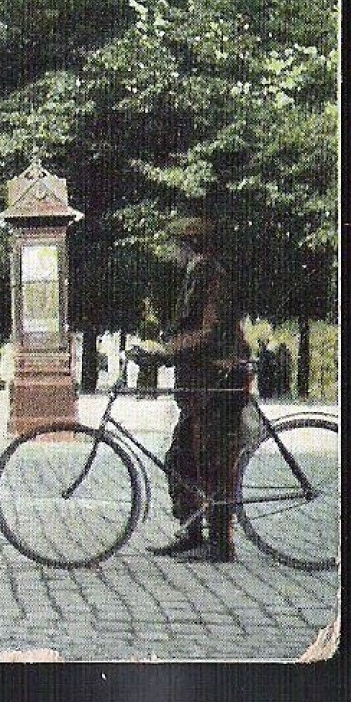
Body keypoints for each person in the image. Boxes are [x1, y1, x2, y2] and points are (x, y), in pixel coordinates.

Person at [136, 216, 249, 563]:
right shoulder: (196, 275)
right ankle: (191, 531)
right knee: (181, 458)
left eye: (175, 244)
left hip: (219, 383)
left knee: (213, 461)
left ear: (190, 246)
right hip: (202, 385)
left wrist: (167, 351)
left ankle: (219, 544)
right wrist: (159, 348)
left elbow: (209, 332)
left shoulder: (212, 276)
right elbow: (188, 328)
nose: (171, 251)